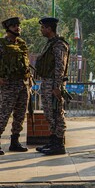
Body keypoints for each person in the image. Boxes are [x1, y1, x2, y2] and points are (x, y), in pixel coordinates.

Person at [35, 17, 70, 155]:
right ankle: (53, 140)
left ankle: (59, 144)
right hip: (47, 82)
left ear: (49, 29)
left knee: (57, 113)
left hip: (54, 84)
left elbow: (60, 67)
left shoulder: (59, 45)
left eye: (43, 28)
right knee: (50, 113)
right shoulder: (50, 44)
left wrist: (57, 87)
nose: (41, 30)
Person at [0, 17, 31, 155]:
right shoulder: (1, 44)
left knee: (20, 114)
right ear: (8, 29)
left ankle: (15, 141)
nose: (17, 28)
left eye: (18, 26)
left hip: (22, 84)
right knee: (3, 114)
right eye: (14, 26)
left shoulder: (22, 44)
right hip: (7, 84)